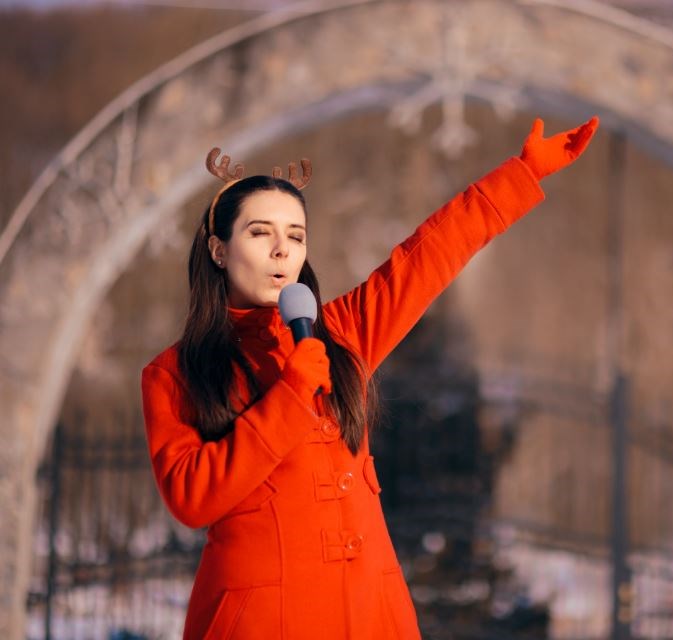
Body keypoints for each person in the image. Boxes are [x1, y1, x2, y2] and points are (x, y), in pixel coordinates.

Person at [140, 115, 599, 640]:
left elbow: (427, 258)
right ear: (219, 250)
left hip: (370, 612)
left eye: (295, 234)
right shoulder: (173, 373)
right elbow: (191, 498)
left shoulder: (340, 332)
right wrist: (290, 395)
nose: (281, 250)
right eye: (260, 232)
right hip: (265, 620)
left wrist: (520, 174)